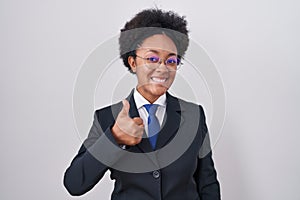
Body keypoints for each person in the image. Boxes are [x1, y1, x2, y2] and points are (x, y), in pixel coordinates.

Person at [64, 8, 221, 200]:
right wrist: (114, 138)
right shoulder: (107, 118)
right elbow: (74, 183)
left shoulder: (194, 115)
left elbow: (208, 184)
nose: (162, 68)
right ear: (133, 62)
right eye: (152, 58)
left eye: (171, 60)